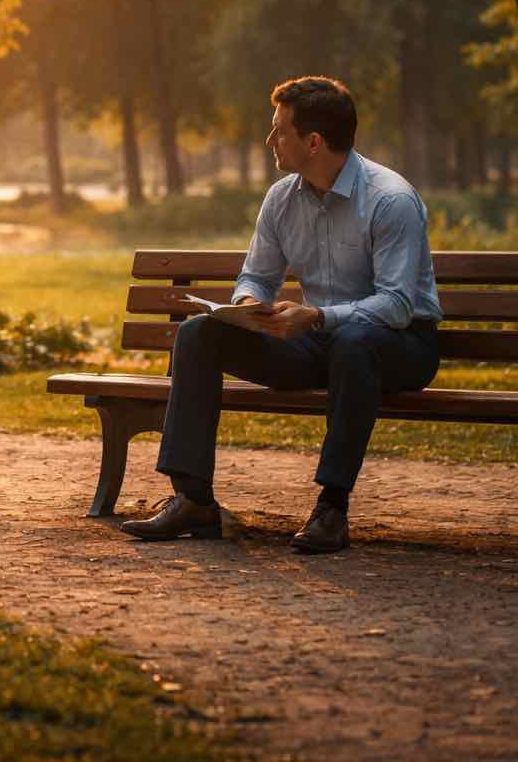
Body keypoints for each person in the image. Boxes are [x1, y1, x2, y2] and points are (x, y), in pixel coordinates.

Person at [122, 77, 442, 553]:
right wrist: (249, 306)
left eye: (279, 131)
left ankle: (332, 508)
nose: (270, 141)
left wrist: (315, 317)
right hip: (316, 341)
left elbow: (396, 305)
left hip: (400, 343)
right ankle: (193, 500)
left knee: (354, 344)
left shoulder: (389, 199)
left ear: (313, 142)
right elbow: (256, 276)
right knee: (197, 335)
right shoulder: (281, 198)